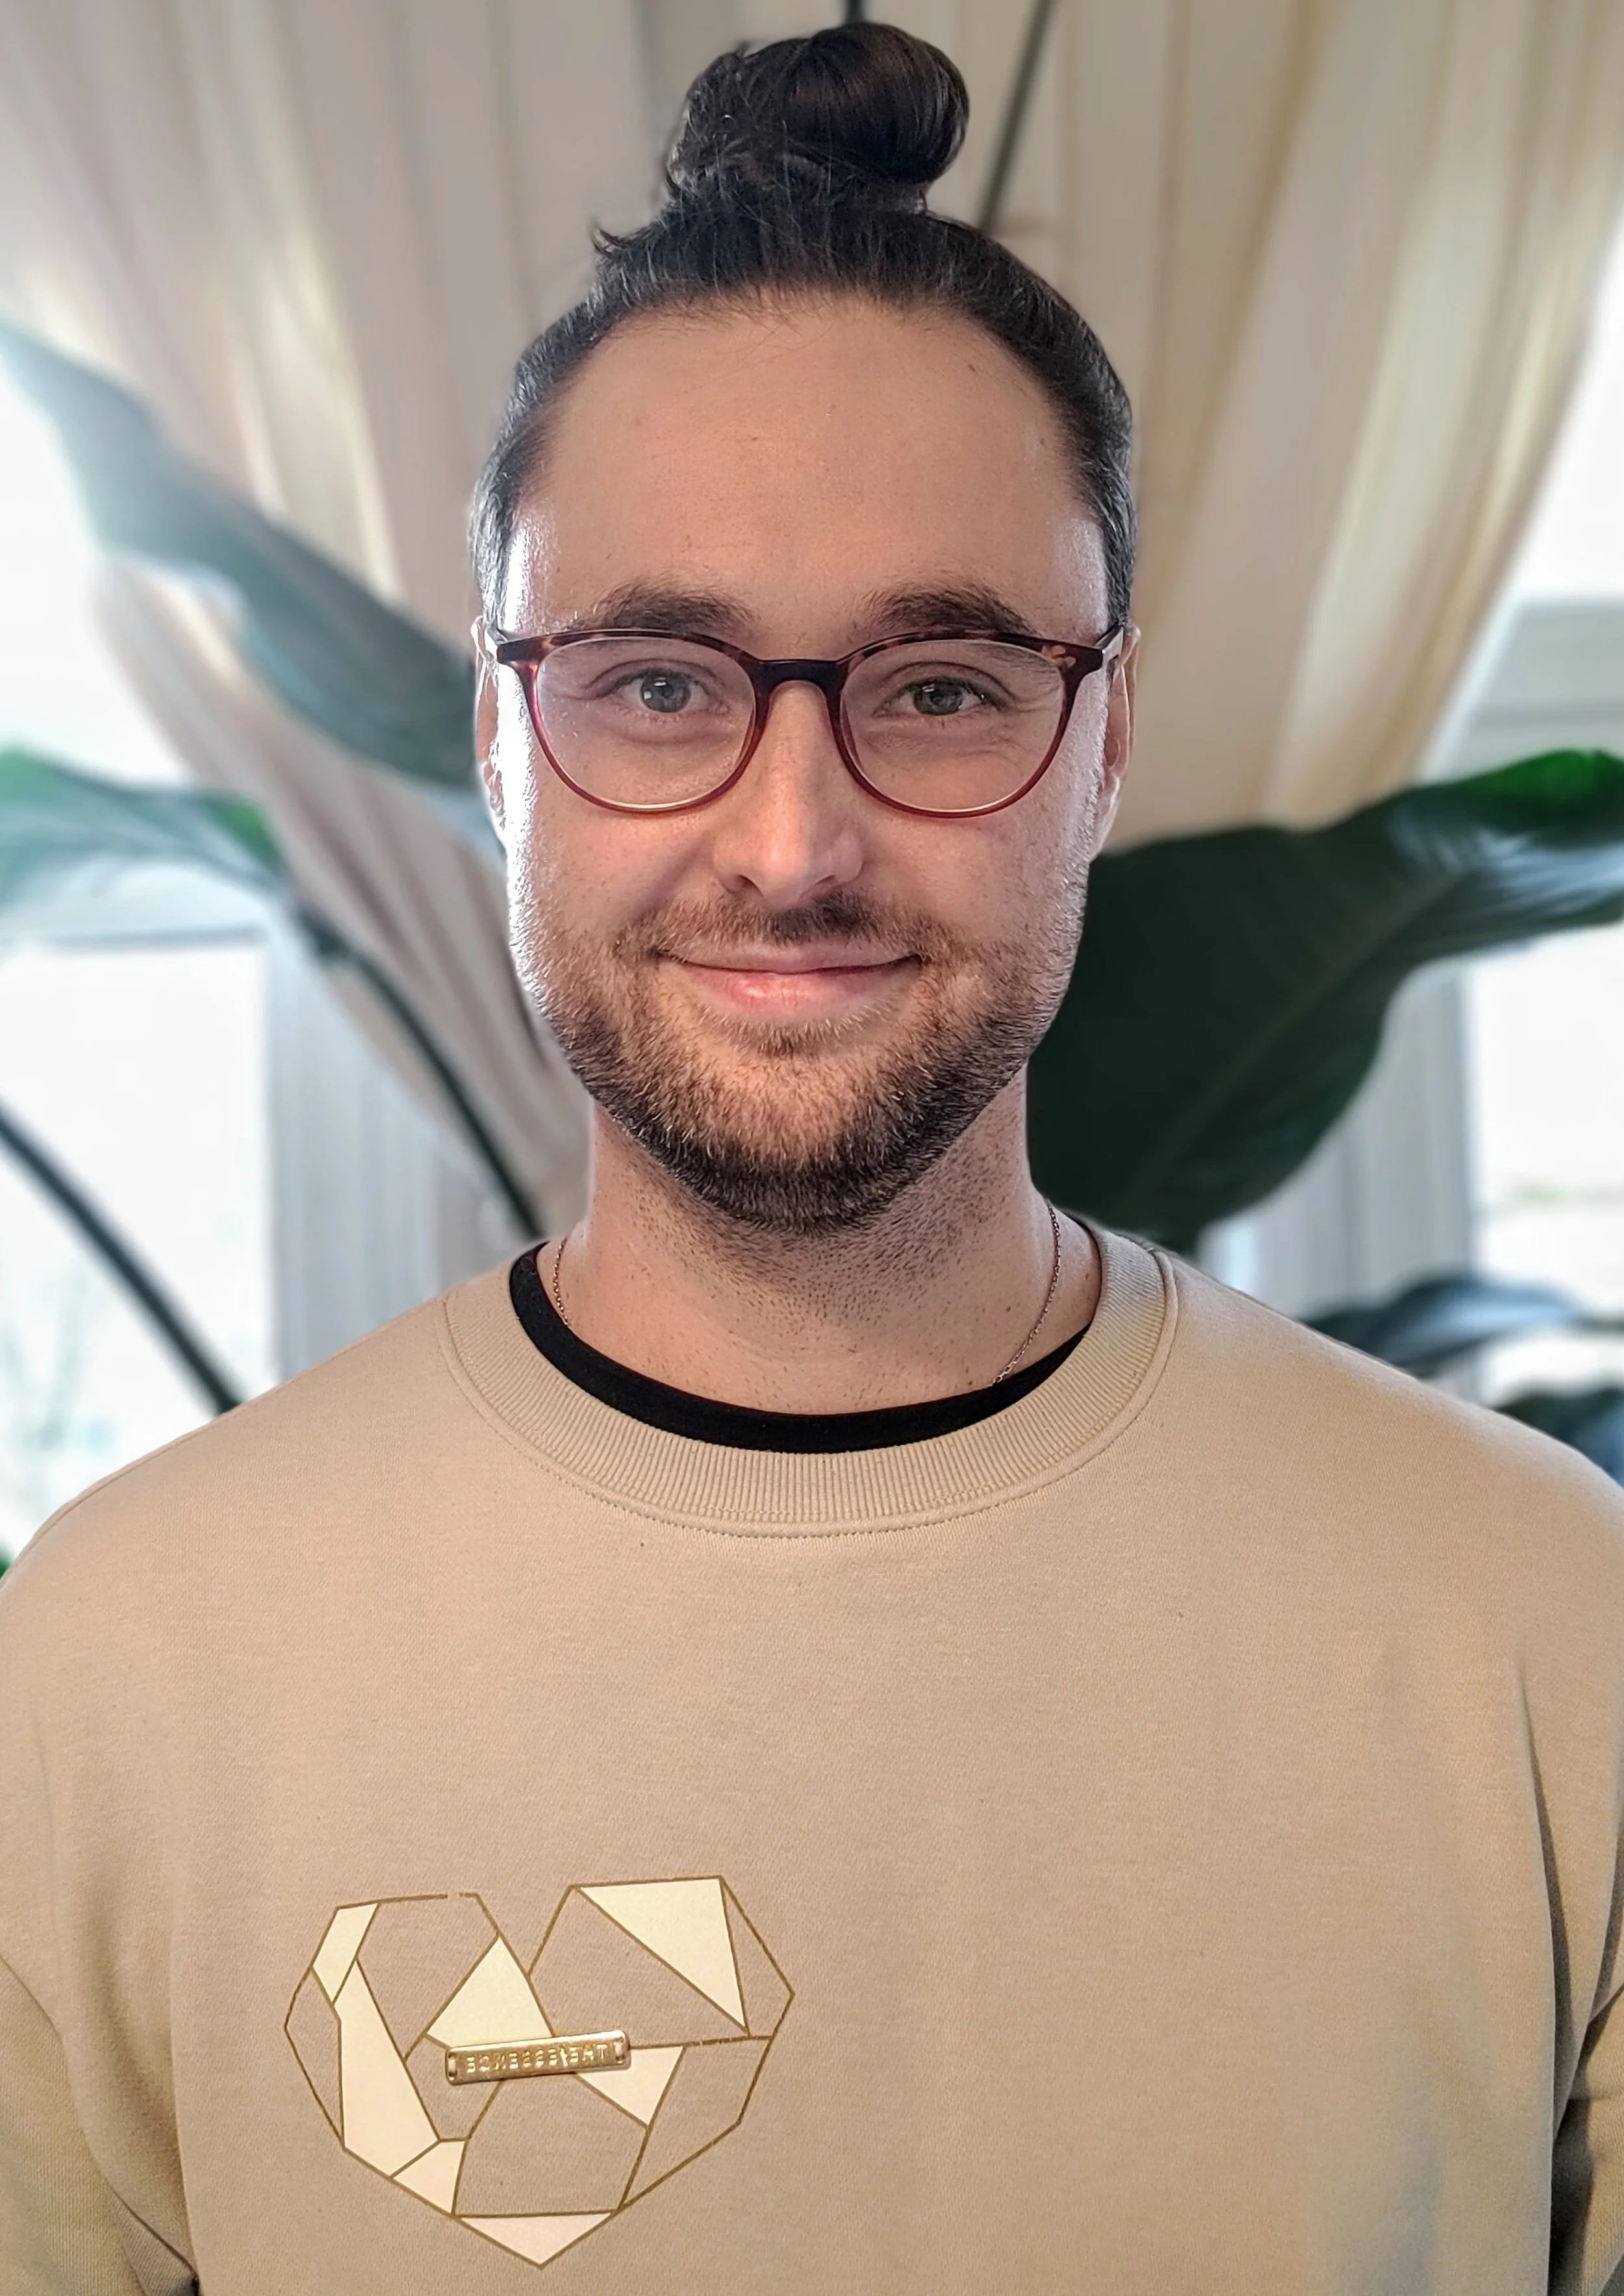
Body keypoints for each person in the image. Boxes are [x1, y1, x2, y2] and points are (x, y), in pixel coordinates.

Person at [3, 21, 1623, 2294]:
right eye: (658, 682)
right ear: (500, 741)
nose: (792, 844)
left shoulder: (1546, 1623)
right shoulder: (112, 1663)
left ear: (1102, 740)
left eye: (939, 687)